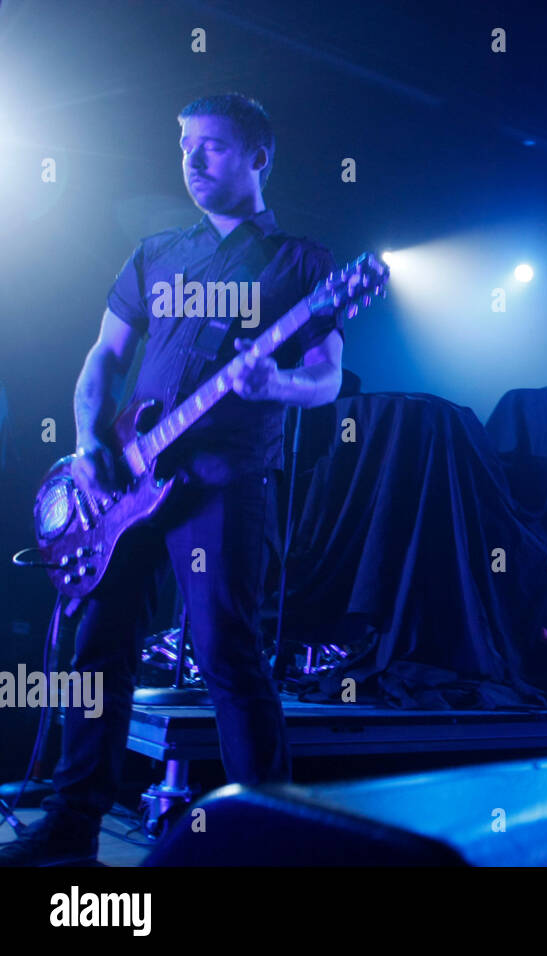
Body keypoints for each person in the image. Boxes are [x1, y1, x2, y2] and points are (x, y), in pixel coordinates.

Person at [1, 93, 344, 865]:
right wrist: (92, 441)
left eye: (213, 146)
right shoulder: (156, 253)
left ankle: (274, 844)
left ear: (259, 157)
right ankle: (71, 826)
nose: (191, 160)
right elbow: (104, 358)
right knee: (96, 649)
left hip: (225, 479)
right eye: (185, 142)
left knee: (228, 651)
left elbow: (324, 377)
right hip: (128, 477)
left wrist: (274, 386)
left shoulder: (300, 263)